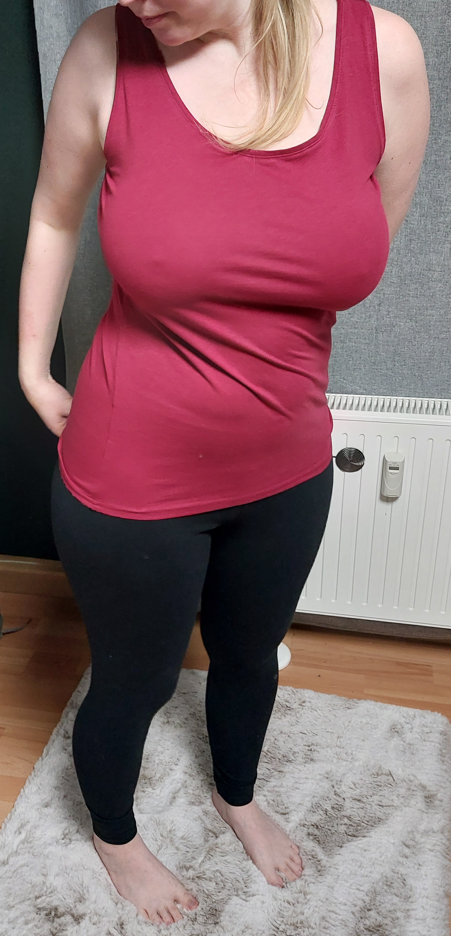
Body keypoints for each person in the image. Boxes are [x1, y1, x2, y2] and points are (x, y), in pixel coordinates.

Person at [18, 0, 429, 926]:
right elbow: (52, 213)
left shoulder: (385, 54)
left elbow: (363, 235)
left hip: (288, 462)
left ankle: (235, 794)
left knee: (250, 656)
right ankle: (115, 835)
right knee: (136, 679)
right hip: (132, 471)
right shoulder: (106, 50)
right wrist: (33, 369)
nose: (137, 2)